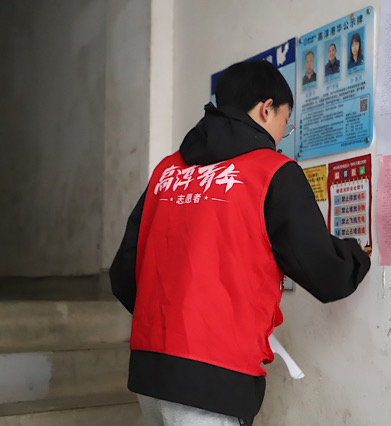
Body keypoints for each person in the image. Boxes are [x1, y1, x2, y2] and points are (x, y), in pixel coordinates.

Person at [109, 60, 371, 426]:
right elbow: (326, 273)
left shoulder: (167, 172)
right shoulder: (271, 172)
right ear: (267, 109)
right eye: (286, 121)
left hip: (150, 369)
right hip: (213, 377)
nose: (283, 134)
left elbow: (124, 272)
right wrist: (357, 256)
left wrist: (171, 324)